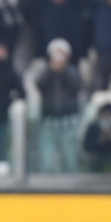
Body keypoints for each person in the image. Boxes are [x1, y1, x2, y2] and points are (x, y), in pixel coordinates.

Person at [35, 38, 82, 173]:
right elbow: (39, 84)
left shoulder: (72, 71)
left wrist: (63, 70)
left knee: (71, 158)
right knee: (47, 160)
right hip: (48, 119)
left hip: (69, 119)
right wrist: (51, 70)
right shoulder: (45, 71)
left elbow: (77, 85)